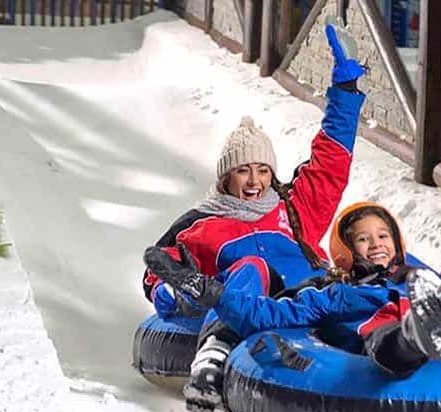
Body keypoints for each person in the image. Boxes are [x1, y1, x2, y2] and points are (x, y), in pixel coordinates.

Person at [144, 202, 441, 412]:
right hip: (384, 338)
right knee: (388, 334)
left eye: (383, 237)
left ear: (398, 244)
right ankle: (421, 333)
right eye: (364, 240)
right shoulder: (331, 293)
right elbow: (266, 317)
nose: (376, 245)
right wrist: (208, 291)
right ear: (346, 253)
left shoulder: (421, 280)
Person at [143, 19, 368, 320]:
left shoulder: (294, 209)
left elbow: (331, 162)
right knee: (252, 267)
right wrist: (167, 291)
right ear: (226, 177)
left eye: (263, 170)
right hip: (251, 316)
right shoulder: (199, 227)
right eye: (243, 171)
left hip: (312, 304)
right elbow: (159, 271)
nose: (254, 181)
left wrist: (345, 89)